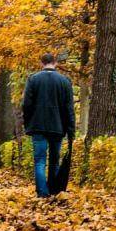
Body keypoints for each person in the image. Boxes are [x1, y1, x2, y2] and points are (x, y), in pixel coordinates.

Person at [20, 52, 75, 199]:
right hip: (58, 127)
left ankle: (42, 193)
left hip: (38, 126)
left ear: (41, 63)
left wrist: (28, 123)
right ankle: (54, 190)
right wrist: (71, 129)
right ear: (55, 62)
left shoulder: (33, 80)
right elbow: (69, 107)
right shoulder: (65, 81)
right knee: (54, 160)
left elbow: (26, 104)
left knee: (39, 160)